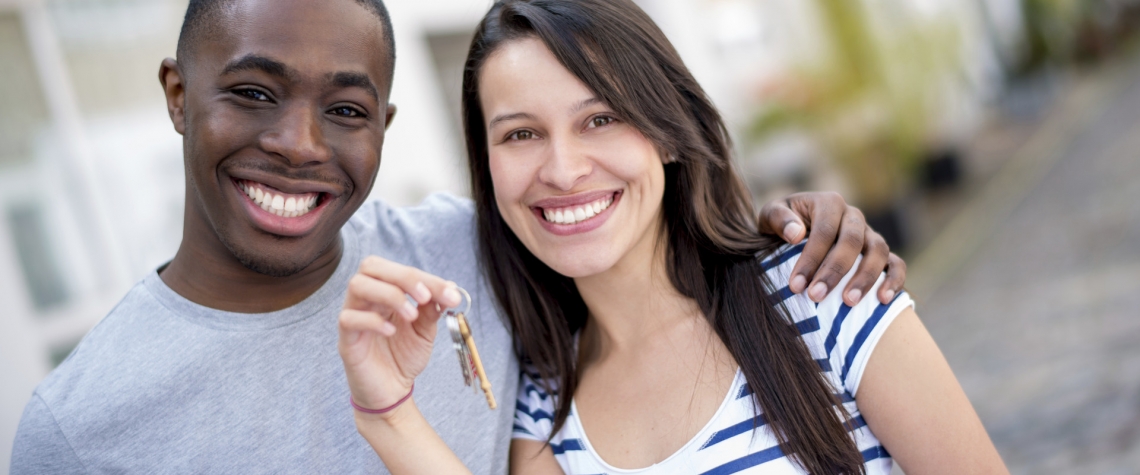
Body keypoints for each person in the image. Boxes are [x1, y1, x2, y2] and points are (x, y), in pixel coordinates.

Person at [8, 0, 904, 473]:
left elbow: (618, 217)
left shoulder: (479, 255)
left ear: (385, 124)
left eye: (347, 109)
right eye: (251, 92)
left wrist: (796, 226)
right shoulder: (80, 431)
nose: (298, 144)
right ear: (176, 95)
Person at [338, 0, 1008, 474]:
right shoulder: (544, 406)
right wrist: (386, 413)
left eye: (599, 119)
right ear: (486, 165)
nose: (564, 169)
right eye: (520, 133)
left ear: (664, 131)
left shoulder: (822, 293)